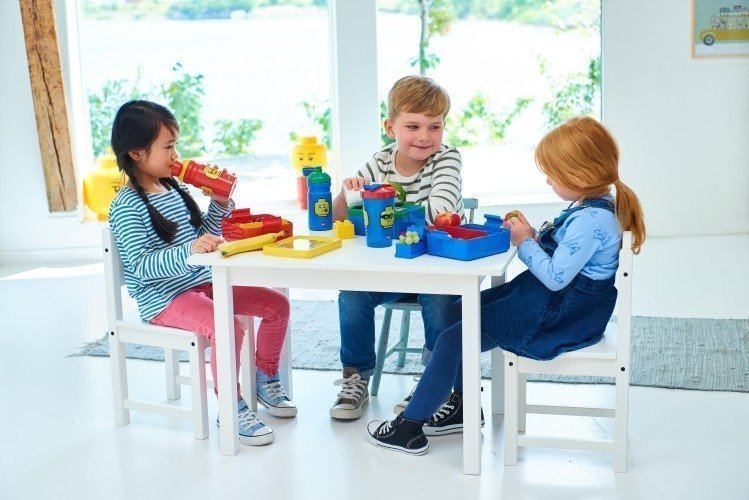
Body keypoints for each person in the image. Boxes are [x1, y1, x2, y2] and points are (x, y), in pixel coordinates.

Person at [366, 116, 646, 454]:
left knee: (453, 338)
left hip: (559, 313)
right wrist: (535, 235)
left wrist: (525, 242)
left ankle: (409, 427)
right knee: (457, 311)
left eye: (552, 174)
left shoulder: (592, 219)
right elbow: (566, 259)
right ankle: (460, 406)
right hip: (549, 300)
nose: (547, 180)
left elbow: (557, 278)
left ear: (579, 175)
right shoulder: (589, 208)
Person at [108, 100, 295, 446]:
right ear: (136, 152)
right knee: (228, 325)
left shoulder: (174, 188)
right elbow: (140, 266)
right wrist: (188, 251)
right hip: (164, 299)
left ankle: (265, 378)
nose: (175, 154)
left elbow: (205, 237)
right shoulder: (127, 205)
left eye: (175, 144)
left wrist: (220, 203)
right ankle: (232, 406)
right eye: (167, 146)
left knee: (277, 306)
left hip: (202, 282)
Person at [328, 75, 467, 421]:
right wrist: (351, 192)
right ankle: (356, 375)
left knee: (438, 301)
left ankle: (433, 383)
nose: (424, 136)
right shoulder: (381, 161)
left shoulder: (447, 158)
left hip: (434, 270)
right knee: (353, 292)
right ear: (391, 127)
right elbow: (337, 217)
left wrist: (383, 208)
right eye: (413, 126)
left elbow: (439, 212)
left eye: (434, 126)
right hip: (391, 271)